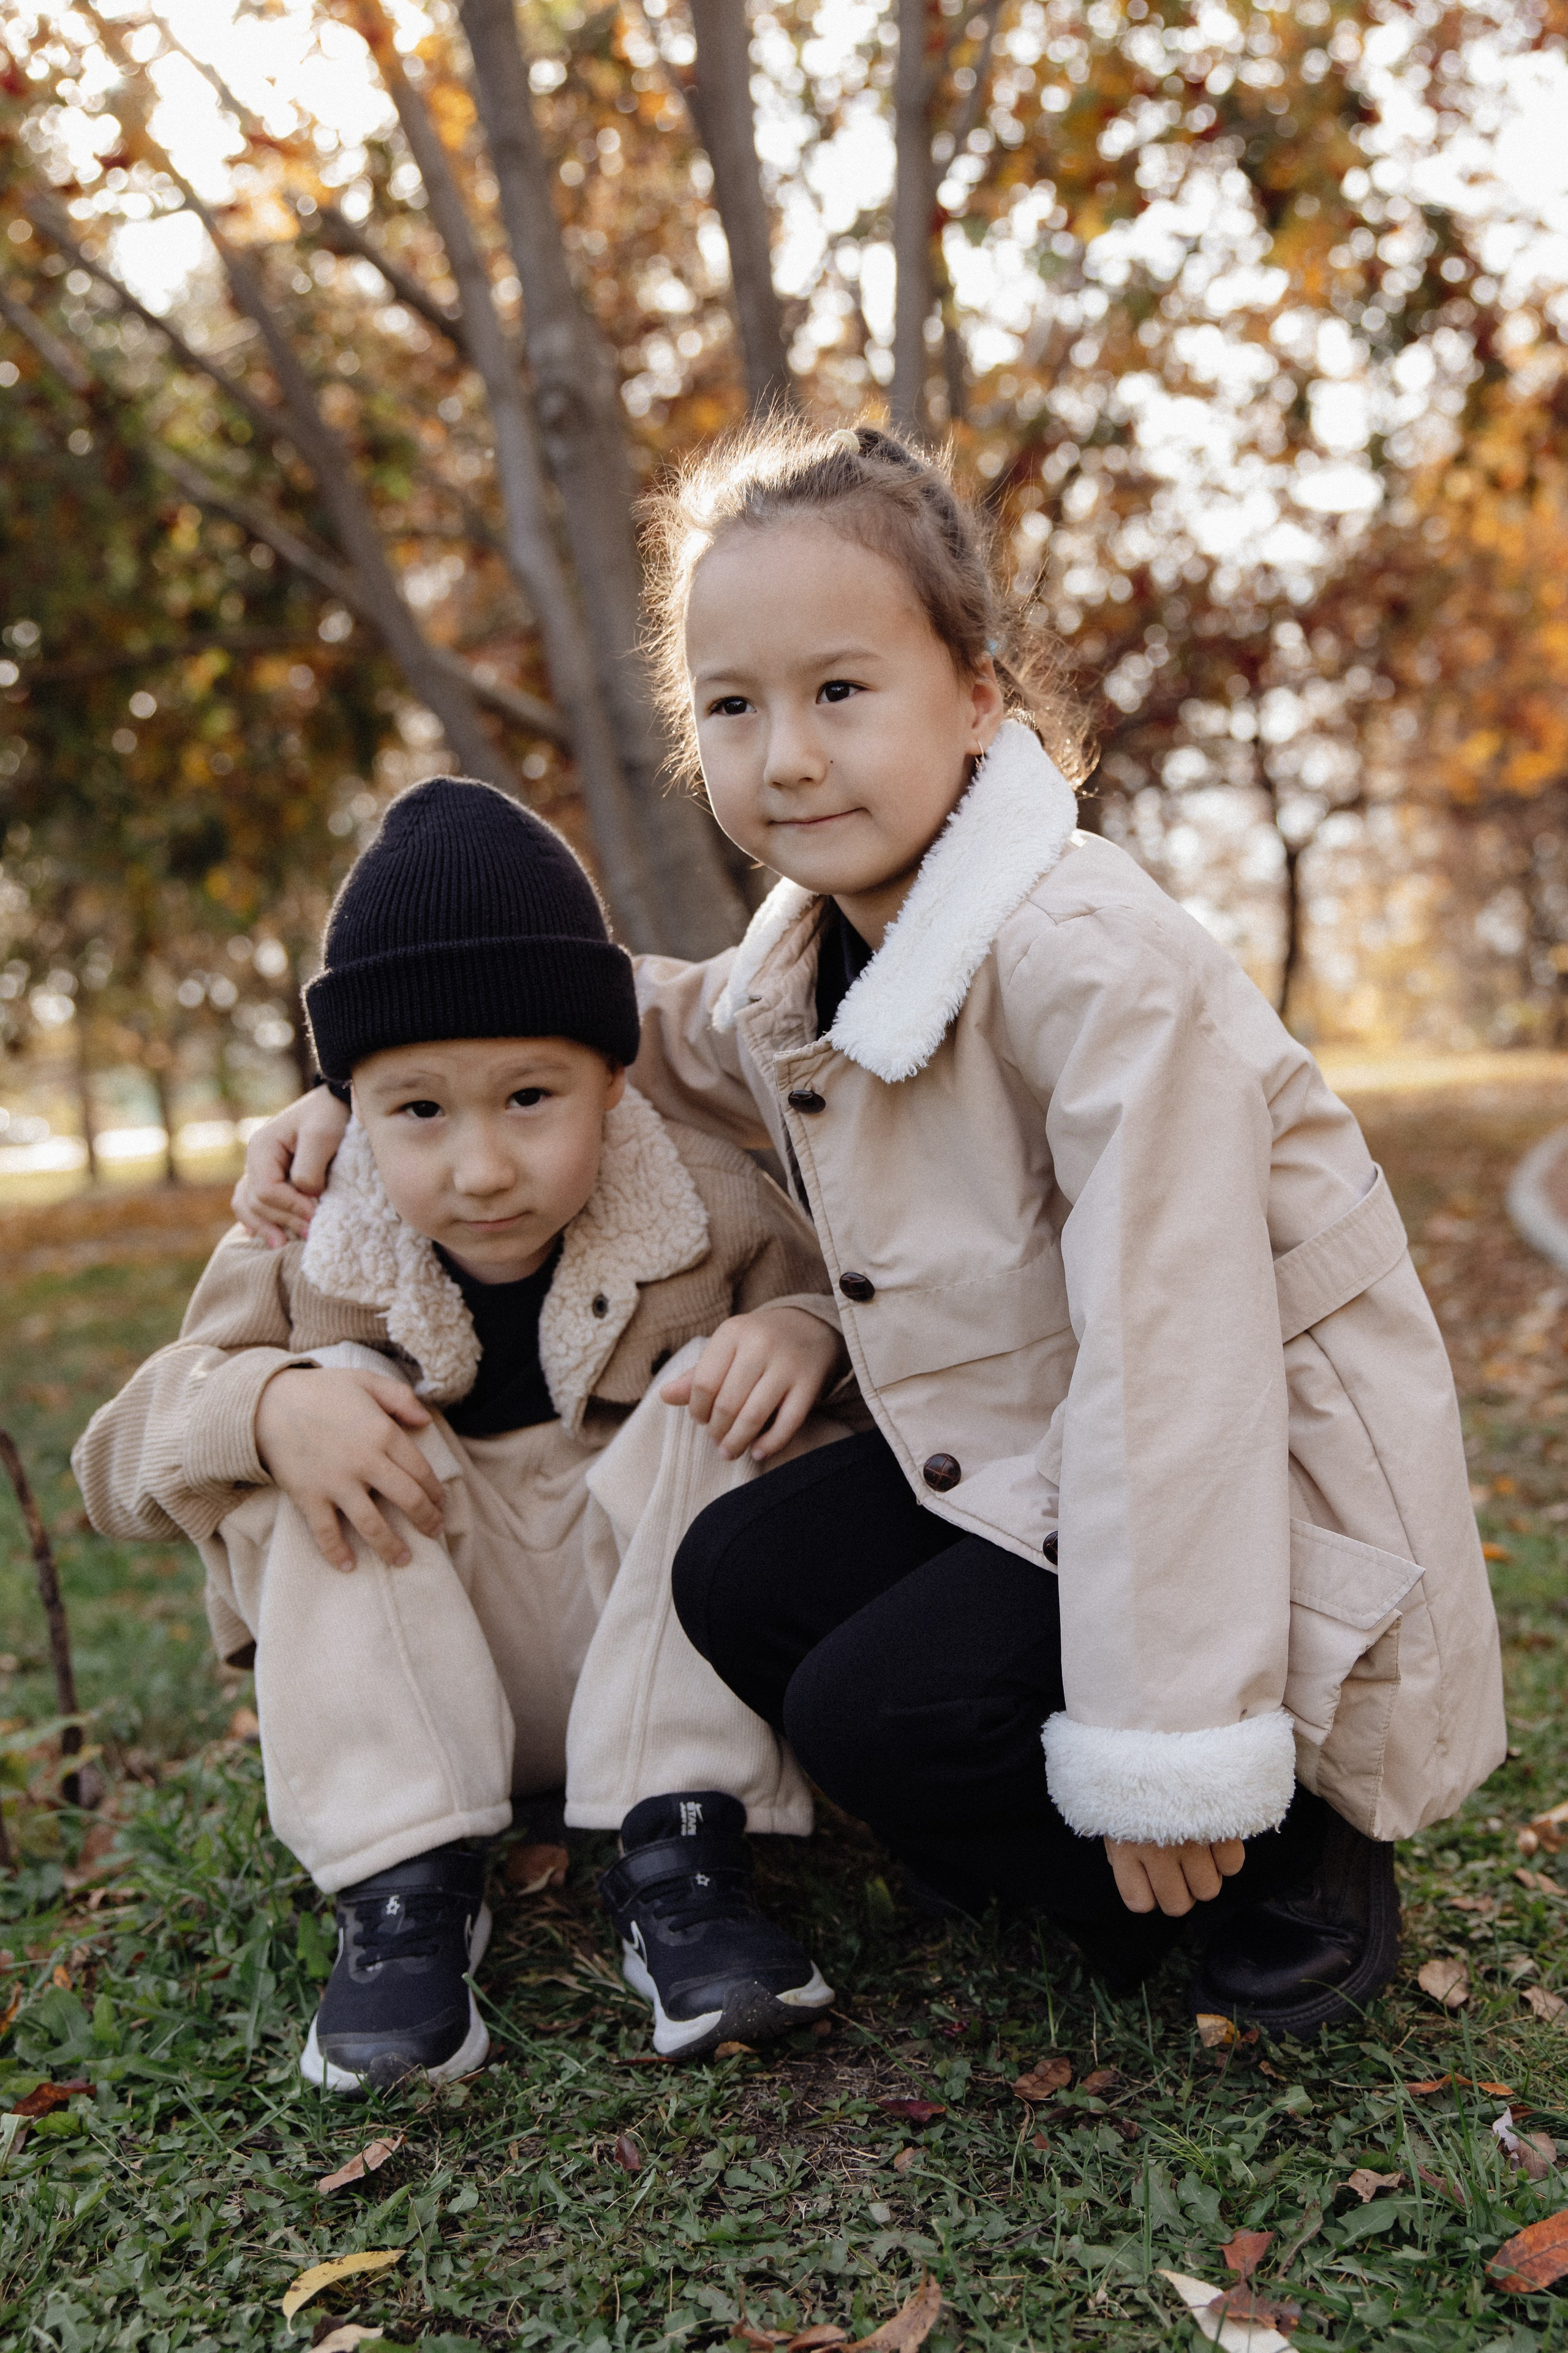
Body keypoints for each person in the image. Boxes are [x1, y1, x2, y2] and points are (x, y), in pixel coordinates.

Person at [233, 421, 1506, 2037]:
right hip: (1034, 1453)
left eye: (840, 690)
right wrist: (376, 1077)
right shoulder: (816, 949)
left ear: (975, 697)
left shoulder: (1089, 959)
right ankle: (1040, 1831)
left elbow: (1181, 1359)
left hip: (1240, 1478)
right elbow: (651, 1026)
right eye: (732, 706)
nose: (787, 758)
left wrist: (1171, 1738)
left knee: (871, 1709)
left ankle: (1282, 1850)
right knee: (735, 1575)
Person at [75, 776, 850, 2092]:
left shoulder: (710, 1204)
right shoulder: (303, 1237)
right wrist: (264, 1407)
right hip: (430, 1655)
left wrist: (806, 1329)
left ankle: (683, 1856)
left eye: (530, 1097)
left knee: (724, 1385)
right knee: (308, 1402)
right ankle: (407, 1882)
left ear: (613, 1079)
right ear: (351, 1109)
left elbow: (880, 1370)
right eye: (420, 1110)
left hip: (642, 1645)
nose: (481, 1167)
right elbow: (112, 1461)